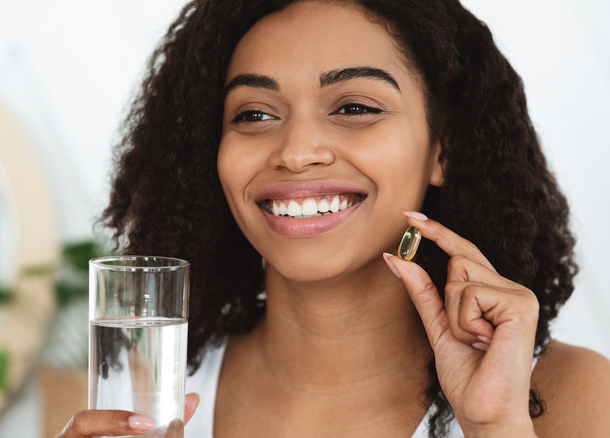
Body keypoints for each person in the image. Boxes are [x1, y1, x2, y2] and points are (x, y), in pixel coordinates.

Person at [58, 0, 610, 436]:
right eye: (253, 114)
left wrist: (495, 431)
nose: (297, 152)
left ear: (444, 149)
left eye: (354, 108)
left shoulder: (571, 397)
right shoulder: (137, 396)